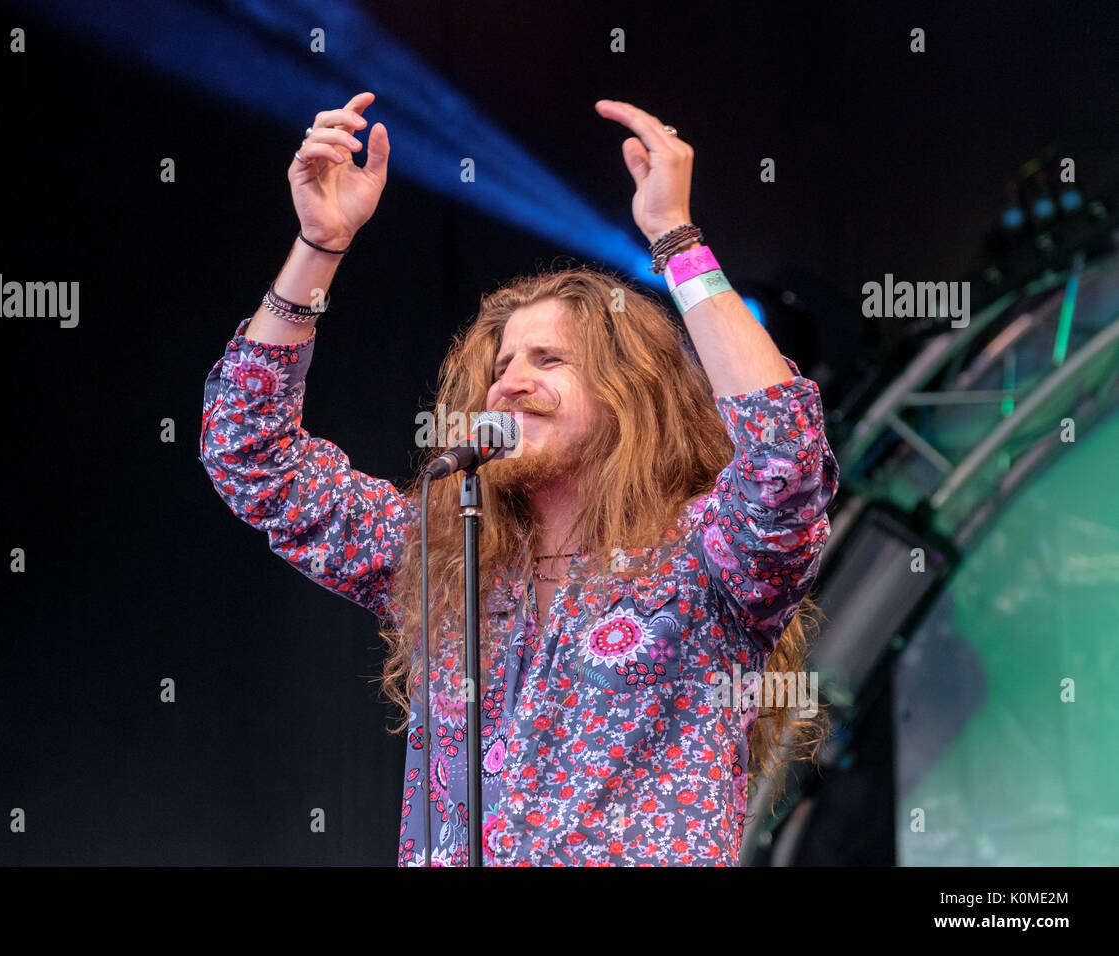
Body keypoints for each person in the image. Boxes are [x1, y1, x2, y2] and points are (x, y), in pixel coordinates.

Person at [199, 92, 839, 866]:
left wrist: (676, 239)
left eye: (550, 361)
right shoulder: (444, 555)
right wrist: (317, 247)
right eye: (500, 367)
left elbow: (783, 455)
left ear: (631, 392)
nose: (508, 384)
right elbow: (249, 452)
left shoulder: (705, 558)